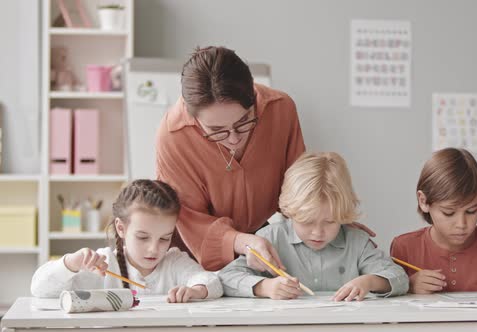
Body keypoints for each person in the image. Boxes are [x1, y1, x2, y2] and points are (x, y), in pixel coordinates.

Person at [156, 46, 375, 272]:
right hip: (197, 256)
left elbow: (299, 187)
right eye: (216, 130)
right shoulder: (173, 135)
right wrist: (243, 242)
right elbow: (192, 219)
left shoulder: (281, 109)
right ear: (193, 117)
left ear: (254, 98)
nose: (233, 139)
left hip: (263, 240)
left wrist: (331, 219)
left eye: (243, 122)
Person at [219, 152, 408, 301]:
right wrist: (265, 287)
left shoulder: (356, 242)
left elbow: (399, 278)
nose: (318, 232)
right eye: (307, 221)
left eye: (330, 221)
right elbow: (226, 278)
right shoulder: (271, 238)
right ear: (290, 212)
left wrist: (368, 282)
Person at [31, 180, 222, 303]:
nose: (154, 249)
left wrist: (196, 291)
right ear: (121, 228)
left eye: (164, 238)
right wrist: (71, 263)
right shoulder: (103, 265)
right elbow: (40, 289)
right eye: (143, 237)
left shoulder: (174, 262)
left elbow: (212, 282)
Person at [390, 148, 477, 296]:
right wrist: (407, 285)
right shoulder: (404, 248)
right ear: (423, 201)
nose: (462, 224)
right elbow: (388, 308)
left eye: (471, 211)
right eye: (449, 213)